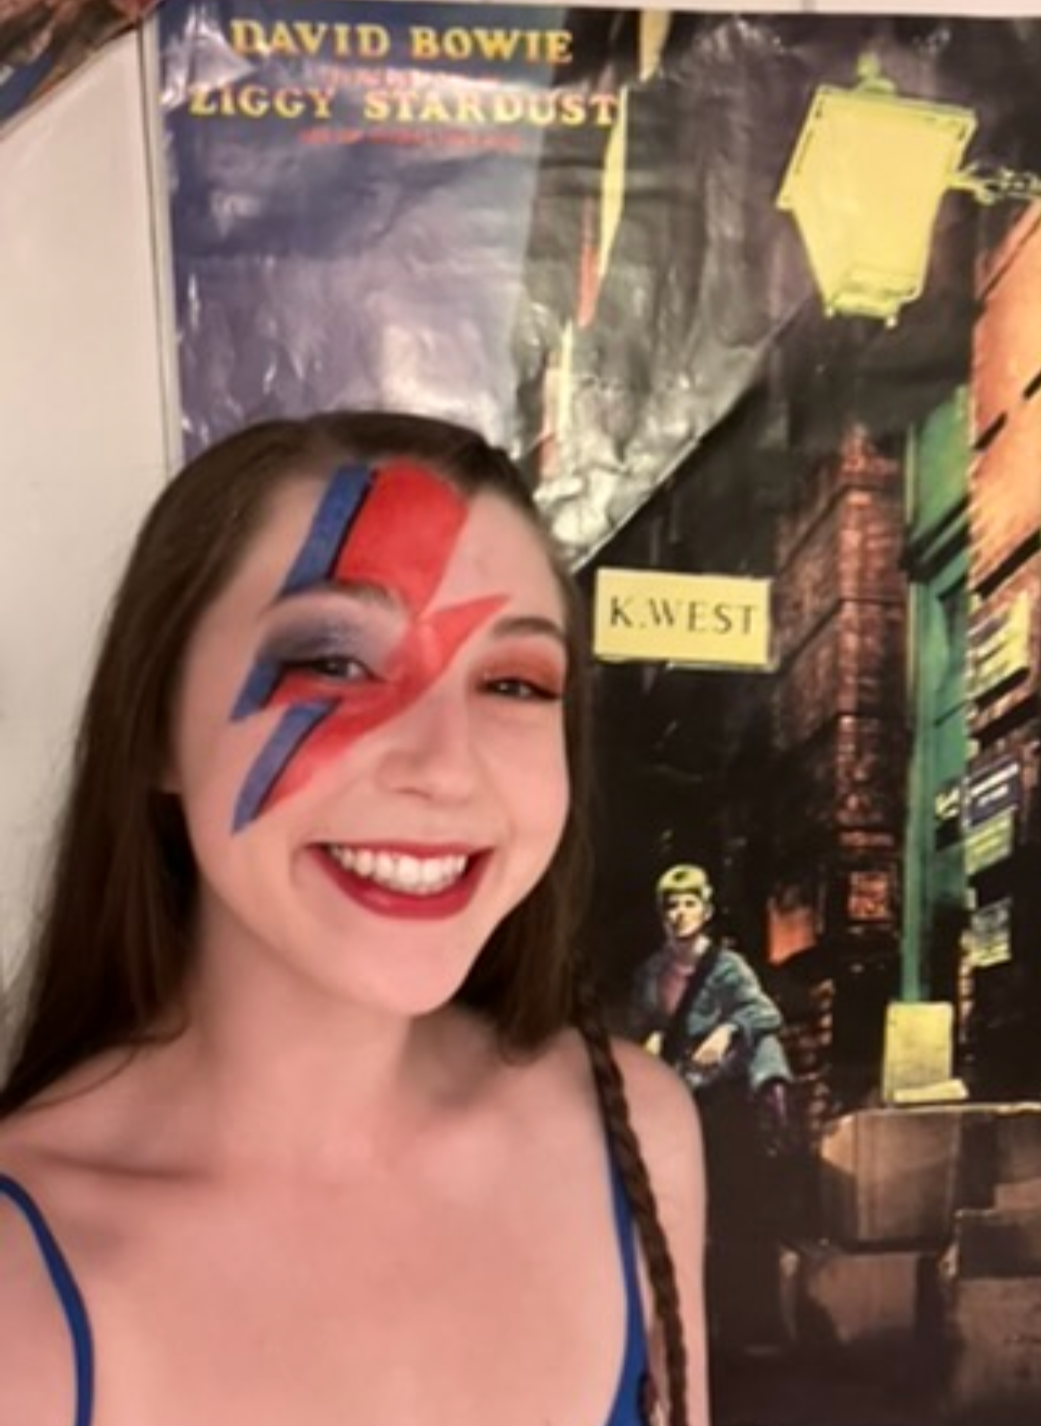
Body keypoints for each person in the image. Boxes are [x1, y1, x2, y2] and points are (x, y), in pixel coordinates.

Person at [0, 413, 707, 1426]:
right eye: (334, 662)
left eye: (513, 682)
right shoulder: (21, 1278)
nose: (446, 767)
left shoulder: (632, 1138)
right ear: (156, 724)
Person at [630, 864, 792, 1147]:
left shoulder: (726, 967)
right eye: (672, 905)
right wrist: (652, 1036)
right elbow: (641, 1020)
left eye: (690, 903)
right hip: (670, 1079)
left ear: (706, 912)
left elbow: (765, 1013)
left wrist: (728, 1030)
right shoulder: (652, 971)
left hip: (717, 1084)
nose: (680, 913)